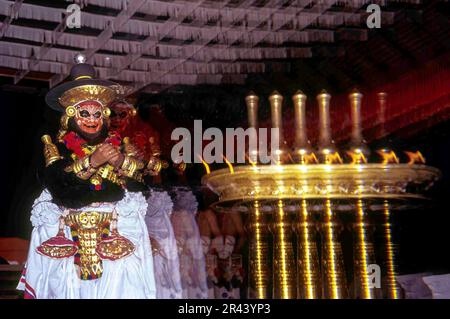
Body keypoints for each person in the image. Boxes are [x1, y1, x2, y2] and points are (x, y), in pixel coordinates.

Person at [17, 56, 156, 299]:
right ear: (71, 114)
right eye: (85, 113)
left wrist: (120, 162)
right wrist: (94, 161)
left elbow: (141, 188)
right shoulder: (57, 147)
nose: (92, 120)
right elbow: (62, 188)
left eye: (97, 113)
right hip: (69, 238)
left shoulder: (120, 147)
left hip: (115, 238)